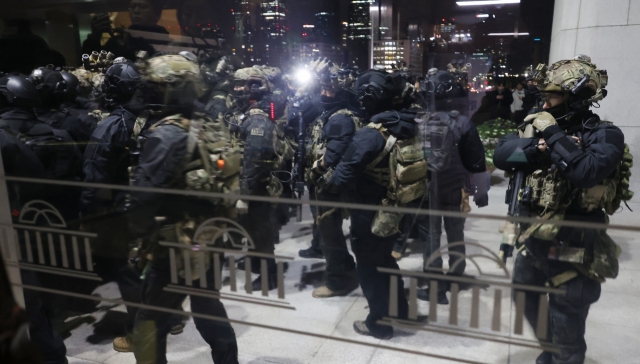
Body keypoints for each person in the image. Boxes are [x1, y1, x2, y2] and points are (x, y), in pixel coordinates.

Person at [493, 55, 624, 364]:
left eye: (553, 95)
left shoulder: (604, 134)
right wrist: (542, 147)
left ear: (577, 97)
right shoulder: (537, 126)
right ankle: (549, 350)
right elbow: (502, 155)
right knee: (525, 297)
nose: (545, 103)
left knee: (566, 319)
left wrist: (552, 136)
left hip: (574, 248)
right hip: (535, 239)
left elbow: (586, 171)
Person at [125, 53, 239, 364]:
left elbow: (143, 197)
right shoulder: (209, 124)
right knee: (208, 308)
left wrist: (139, 238)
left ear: (173, 89)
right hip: (209, 235)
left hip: (173, 245)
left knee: (149, 318)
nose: (149, 91)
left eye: (156, 86)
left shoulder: (166, 133)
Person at [324, 69, 426, 339]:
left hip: (369, 210)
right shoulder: (408, 124)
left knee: (368, 266)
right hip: (398, 205)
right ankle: (400, 309)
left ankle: (378, 323)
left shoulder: (370, 134)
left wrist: (329, 178)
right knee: (385, 260)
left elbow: (342, 176)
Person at [420, 92, 488, 304]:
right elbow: (476, 160)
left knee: (431, 235)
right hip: (456, 187)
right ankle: (456, 275)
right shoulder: (463, 122)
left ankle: (435, 288)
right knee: (455, 232)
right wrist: (481, 191)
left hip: (429, 186)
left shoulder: (422, 121)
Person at [306, 59, 360, 298]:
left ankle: (336, 281)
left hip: (328, 184)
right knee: (330, 232)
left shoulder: (340, 118)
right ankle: (346, 266)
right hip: (328, 183)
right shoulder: (333, 114)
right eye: (323, 88)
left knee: (330, 234)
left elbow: (333, 154)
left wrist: (314, 171)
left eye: (329, 89)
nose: (324, 93)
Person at [232, 65, 289, 291]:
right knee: (253, 231)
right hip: (253, 184)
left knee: (261, 234)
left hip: (259, 188)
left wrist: (244, 195)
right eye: (235, 84)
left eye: (241, 84)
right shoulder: (250, 113)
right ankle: (256, 264)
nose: (237, 89)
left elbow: (254, 159)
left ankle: (269, 277)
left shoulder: (257, 119)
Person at [82, 0, 168, 61]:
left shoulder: (165, 42)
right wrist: (94, 39)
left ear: (157, 14)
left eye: (143, 7)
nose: (136, 11)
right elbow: (92, 64)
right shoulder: (119, 41)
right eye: (132, 7)